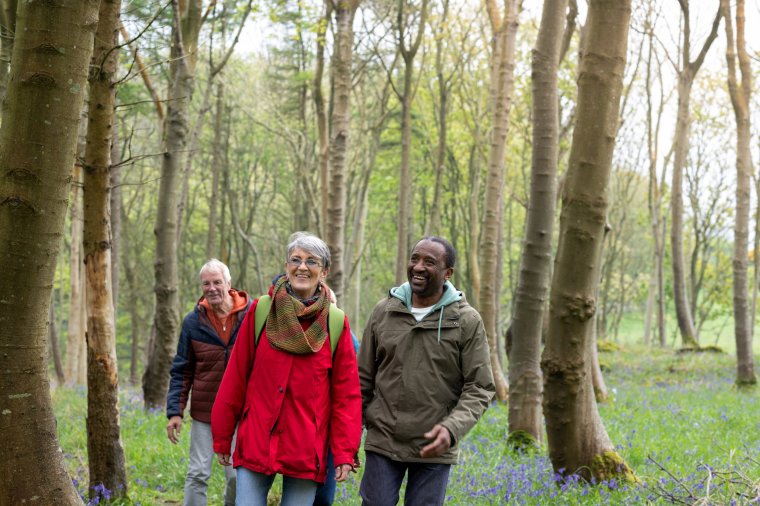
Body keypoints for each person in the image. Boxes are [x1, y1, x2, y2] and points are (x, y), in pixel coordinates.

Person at [212, 232, 362, 506]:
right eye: (296, 259)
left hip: (306, 446)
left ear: (324, 272)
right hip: (257, 438)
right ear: (286, 266)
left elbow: (346, 396)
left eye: (312, 261)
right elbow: (235, 377)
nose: (302, 267)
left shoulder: (336, 323)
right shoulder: (261, 311)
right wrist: (222, 436)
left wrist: (344, 452)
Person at [357, 236, 496, 506]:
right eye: (414, 258)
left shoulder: (466, 320)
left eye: (429, 262)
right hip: (383, 439)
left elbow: (479, 387)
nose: (418, 267)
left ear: (447, 273)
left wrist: (452, 429)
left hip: (435, 445)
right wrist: (350, 435)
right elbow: (363, 378)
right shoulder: (384, 312)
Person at [166, 259, 251, 506]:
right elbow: (182, 369)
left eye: (217, 282)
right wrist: (175, 412)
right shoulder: (193, 322)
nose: (212, 288)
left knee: (236, 475)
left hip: (241, 411)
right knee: (197, 474)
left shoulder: (251, 315)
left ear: (229, 283)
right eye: (206, 283)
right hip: (206, 412)